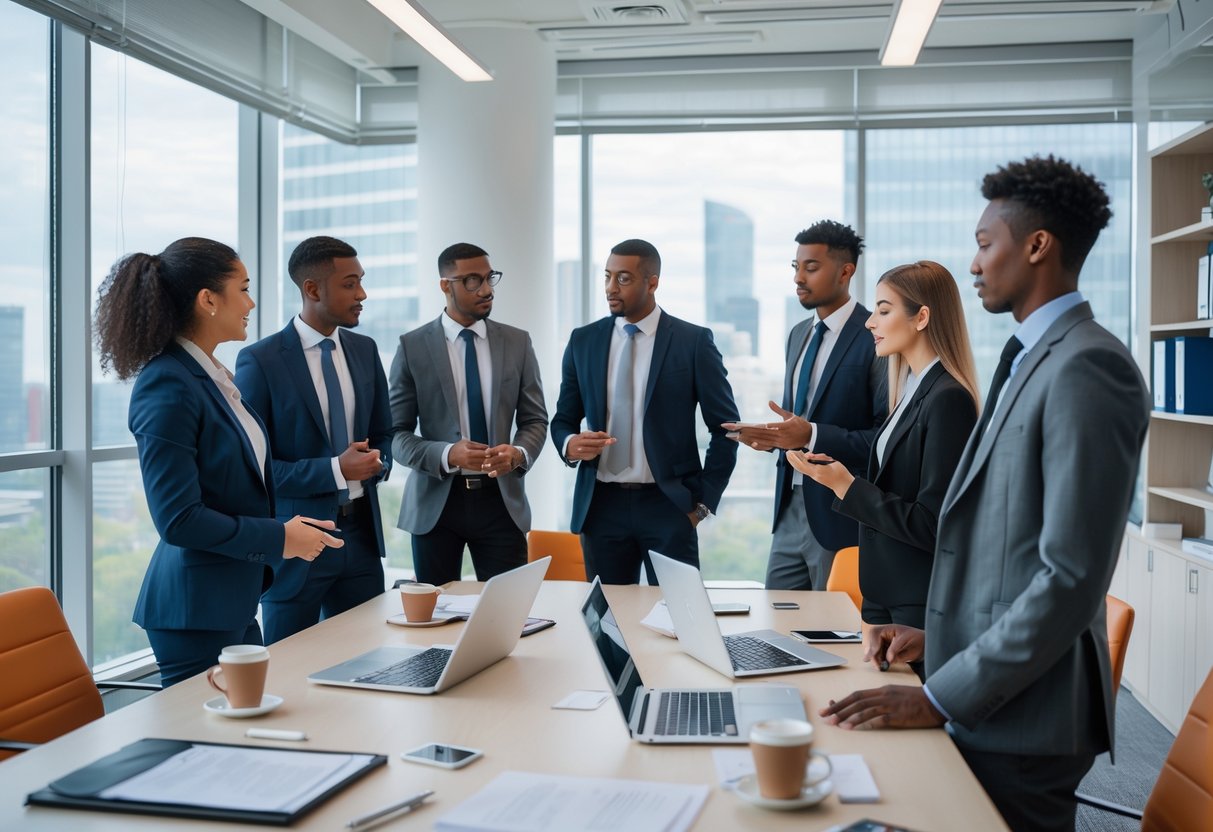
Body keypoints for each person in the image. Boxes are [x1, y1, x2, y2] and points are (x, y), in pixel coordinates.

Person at [819, 156, 1151, 832]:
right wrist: (935, 642)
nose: (972, 264)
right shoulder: (1031, 356)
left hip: (1026, 718)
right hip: (993, 691)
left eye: (983, 243)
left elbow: (1068, 577)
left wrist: (941, 695)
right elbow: (1005, 549)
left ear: (1035, 246)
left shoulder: (1090, 366)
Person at [94, 237, 341, 686]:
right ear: (208, 299)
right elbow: (179, 519)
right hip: (195, 610)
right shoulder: (167, 384)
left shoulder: (211, 378)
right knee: (208, 747)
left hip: (231, 597)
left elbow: (232, 484)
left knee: (248, 731)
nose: (250, 302)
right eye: (243, 288)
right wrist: (279, 537)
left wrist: (285, 532)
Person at [787, 261, 979, 672]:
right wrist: (839, 472)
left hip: (919, 609)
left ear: (922, 316)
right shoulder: (911, 389)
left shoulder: (948, 399)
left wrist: (847, 488)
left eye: (884, 309)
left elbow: (933, 524)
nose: (870, 321)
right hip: (888, 602)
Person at [550, 238, 739, 584]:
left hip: (669, 506)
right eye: (607, 277)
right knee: (607, 627)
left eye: (623, 278)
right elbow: (562, 419)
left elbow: (727, 428)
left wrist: (702, 506)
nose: (610, 288)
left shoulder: (693, 341)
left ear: (652, 282)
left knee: (676, 623)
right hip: (600, 506)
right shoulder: (583, 341)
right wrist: (569, 445)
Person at [233, 236, 392, 644]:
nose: (362, 294)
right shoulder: (261, 361)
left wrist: (380, 462)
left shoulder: (365, 349)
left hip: (360, 539)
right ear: (312, 289)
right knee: (288, 671)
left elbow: (385, 434)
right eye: (350, 284)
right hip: (296, 544)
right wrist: (337, 469)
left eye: (361, 282)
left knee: (367, 662)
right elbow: (255, 471)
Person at [726, 220, 885, 591]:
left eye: (811, 268)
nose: (799, 277)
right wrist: (770, 438)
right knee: (777, 620)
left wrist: (811, 435)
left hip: (838, 510)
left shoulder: (872, 335)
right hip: (788, 508)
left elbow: (883, 436)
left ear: (846, 271)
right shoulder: (799, 335)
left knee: (832, 633)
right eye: (795, 267)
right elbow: (794, 421)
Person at [389, 243, 547, 584]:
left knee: (510, 617)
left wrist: (518, 453)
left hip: (502, 502)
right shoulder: (411, 346)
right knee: (434, 620)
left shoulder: (518, 342)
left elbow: (535, 419)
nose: (487, 289)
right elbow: (396, 435)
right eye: (473, 280)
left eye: (490, 278)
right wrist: (447, 454)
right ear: (445, 285)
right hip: (436, 505)